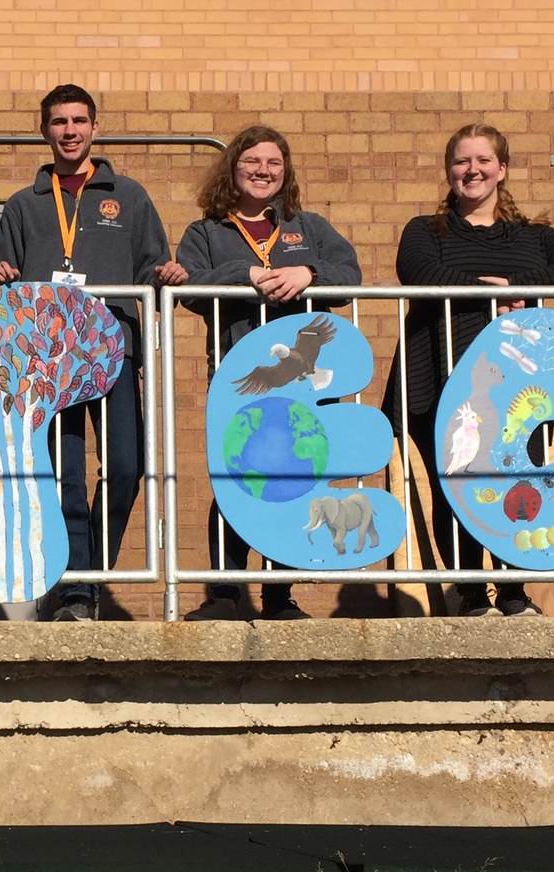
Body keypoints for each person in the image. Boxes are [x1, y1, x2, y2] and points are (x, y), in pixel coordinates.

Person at [382, 123, 554, 618]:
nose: (471, 170)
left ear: (501, 169)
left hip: (520, 385)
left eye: (482, 161)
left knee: (516, 477)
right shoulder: (426, 231)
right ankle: (472, 591)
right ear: (449, 170)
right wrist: (495, 292)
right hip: (440, 372)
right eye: (461, 161)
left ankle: (515, 590)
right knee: (452, 483)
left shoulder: (536, 236)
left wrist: (519, 281)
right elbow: (422, 273)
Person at [0, 84, 176, 621]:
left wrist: (164, 276)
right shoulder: (24, 205)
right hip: (50, 360)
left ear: (95, 127)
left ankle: (88, 572)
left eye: (78, 121)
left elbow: (151, 270)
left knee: (126, 466)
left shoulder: (130, 196)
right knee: (65, 473)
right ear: (44, 131)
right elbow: (1, 279)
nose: (69, 131)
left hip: (113, 350)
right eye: (58, 122)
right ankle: (75, 589)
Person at [159, 124, 362, 621]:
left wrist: (308, 274)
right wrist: (243, 275)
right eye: (252, 162)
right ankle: (225, 593)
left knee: (293, 480)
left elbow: (350, 274)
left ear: (285, 172)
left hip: (307, 384)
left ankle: (278, 594)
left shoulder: (308, 227)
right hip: (239, 380)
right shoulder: (206, 232)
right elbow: (189, 286)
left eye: (273, 163)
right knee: (237, 479)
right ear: (233, 169)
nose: (262, 171)